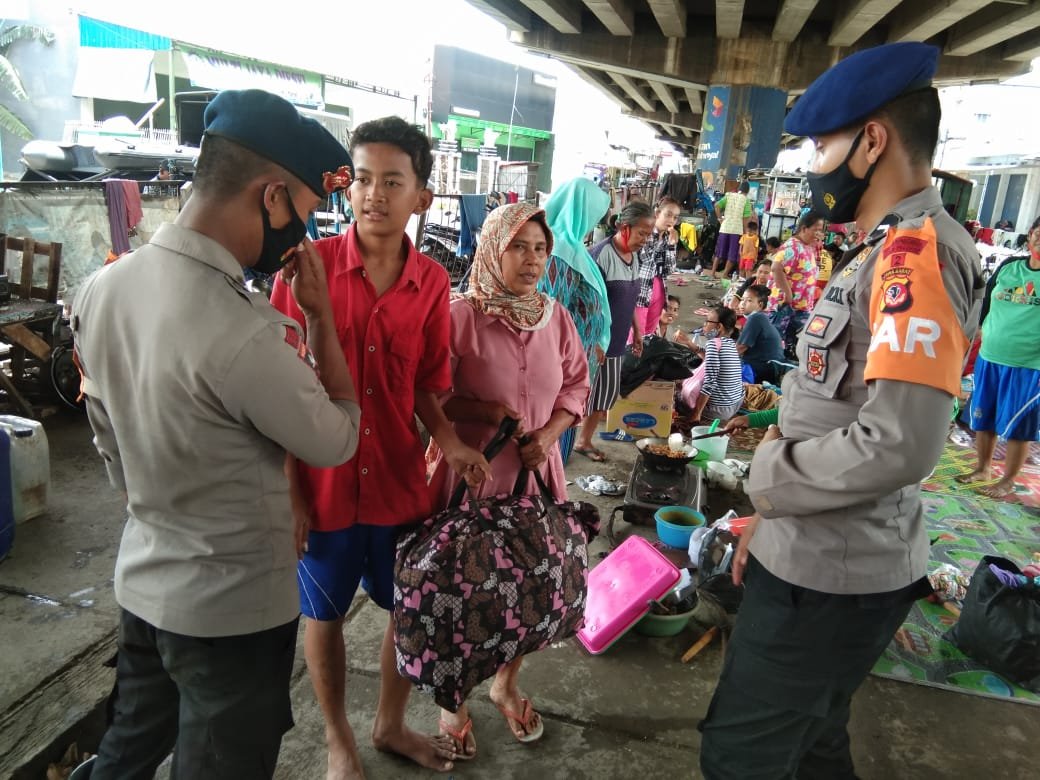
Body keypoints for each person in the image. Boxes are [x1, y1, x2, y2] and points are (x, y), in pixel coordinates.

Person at [698, 42, 985, 779]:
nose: (814, 163)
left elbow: (898, 443)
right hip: (819, 552)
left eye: (823, 143)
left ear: (873, 141)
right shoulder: (879, 250)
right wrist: (773, 520)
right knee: (815, 744)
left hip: (830, 581)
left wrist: (766, 480)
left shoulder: (913, 256)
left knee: (741, 757)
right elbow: (838, 409)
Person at [73, 89, 364, 780]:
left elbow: (108, 443)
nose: (301, 237)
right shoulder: (245, 332)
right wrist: (322, 322)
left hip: (144, 581)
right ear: (271, 199)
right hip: (231, 615)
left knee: (127, 749)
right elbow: (337, 440)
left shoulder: (103, 288)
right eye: (302, 213)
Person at [270, 116, 490, 778]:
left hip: (399, 480)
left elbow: (427, 385)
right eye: (362, 179)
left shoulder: (431, 288)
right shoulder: (304, 271)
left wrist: (448, 441)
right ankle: (339, 740)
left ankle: (389, 724)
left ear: (422, 196)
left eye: (392, 182)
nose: (373, 195)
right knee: (324, 612)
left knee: (405, 609)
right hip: (324, 483)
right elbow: (276, 392)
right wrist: (291, 494)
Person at [428, 202, 590, 755]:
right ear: (494, 246)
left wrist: (549, 436)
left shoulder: (556, 318)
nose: (532, 259)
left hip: (537, 477)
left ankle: (505, 684)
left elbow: (576, 387)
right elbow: (432, 398)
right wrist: (487, 411)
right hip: (472, 477)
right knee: (461, 590)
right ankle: (453, 702)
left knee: (529, 590)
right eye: (519, 246)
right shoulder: (459, 316)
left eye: (540, 248)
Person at [956, 214, 1040, 498]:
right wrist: (977, 333)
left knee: (1019, 426)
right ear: (1029, 235)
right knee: (984, 416)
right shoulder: (1009, 266)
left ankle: (1008, 479)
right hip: (991, 356)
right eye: (1037, 232)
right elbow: (986, 301)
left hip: (1029, 365)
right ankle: (983, 467)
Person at [573, 201, 655, 462]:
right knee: (580, 393)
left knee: (605, 393)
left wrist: (637, 330)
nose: (645, 239)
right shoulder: (600, 255)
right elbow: (586, 303)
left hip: (618, 338)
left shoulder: (635, 256)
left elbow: (628, 297)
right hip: (596, 340)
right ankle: (567, 442)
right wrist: (594, 341)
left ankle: (583, 441)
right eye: (642, 232)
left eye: (649, 234)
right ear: (623, 226)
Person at [539, 177, 612, 463]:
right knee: (553, 440)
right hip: (561, 368)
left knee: (565, 427)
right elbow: (549, 315)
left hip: (578, 361)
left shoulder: (575, 249)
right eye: (595, 213)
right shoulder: (559, 253)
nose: (596, 221)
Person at [768, 210, 824, 353]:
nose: (818, 234)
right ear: (804, 228)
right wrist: (788, 294)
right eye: (816, 230)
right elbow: (776, 267)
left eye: (820, 231)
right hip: (786, 306)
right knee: (776, 343)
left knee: (792, 345)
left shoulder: (808, 246)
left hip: (801, 307)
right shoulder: (793, 246)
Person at [688, 306, 744, 423]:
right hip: (735, 404)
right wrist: (688, 343)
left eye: (707, 322)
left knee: (679, 395)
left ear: (719, 327)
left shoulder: (713, 344)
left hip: (718, 411)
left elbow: (710, 382)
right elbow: (708, 356)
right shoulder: (731, 343)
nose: (704, 325)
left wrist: (696, 414)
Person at [635, 196, 680, 335]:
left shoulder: (668, 237)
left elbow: (669, 270)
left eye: (675, 217)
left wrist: (672, 246)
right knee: (636, 334)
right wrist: (659, 238)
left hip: (659, 289)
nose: (672, 220)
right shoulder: (644, 232)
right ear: (657, 213)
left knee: (649, 333)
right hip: (641, 290)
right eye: (668, 215)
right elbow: (645, 258)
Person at [737, 284, 786, 383]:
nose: (743, 303)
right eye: (742, 300)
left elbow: (740, 348)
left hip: (762, 369)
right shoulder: (760, 317)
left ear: (760, 304)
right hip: (767, 368)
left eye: (749, 300)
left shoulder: (756, 318)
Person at [711, 181, 753, 279]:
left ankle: (713, 273)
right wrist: (745, 232)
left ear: (739, 189)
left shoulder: (729, 196)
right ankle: (724, 274)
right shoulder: (746, 201)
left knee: (719, 252)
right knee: (732, 254)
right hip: (736, 230)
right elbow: (745, 219)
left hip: (725, 227)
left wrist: (720, 218)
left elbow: (717, 205)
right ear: (747, 191)